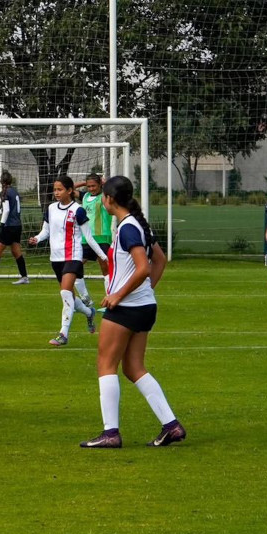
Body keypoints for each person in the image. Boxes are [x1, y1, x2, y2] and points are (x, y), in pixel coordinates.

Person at [81, 176, 185, 449]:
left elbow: (144, 268)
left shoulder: (128, 227)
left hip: (126, 308)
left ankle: (110, 433)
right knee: (133, 368)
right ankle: (171, 426)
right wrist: (144, 292)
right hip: (143, 306)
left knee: (105, 365)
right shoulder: (137, 224)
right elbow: (159, 260)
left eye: (102, 196)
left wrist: (119, 294)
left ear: (109, 200)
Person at [27, 175, 106, 346]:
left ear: (70, 191)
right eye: (55, 189)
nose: (56, 192)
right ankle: (89, 312)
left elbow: (89, 237)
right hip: (56, 259)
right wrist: (37, 238)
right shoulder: (51, 209)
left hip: (73, 257)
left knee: (64, 293)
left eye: (60, 189)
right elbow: (45, 231)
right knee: (68, 294)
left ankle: (63, 333)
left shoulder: (78, 210)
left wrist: (103, 255)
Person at [80, 171, 113, 302]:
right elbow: (69, 188)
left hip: (102, 237)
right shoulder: (85, 196)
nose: (91, 189)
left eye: (94, 186)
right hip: (86, 238)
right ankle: (85, 298)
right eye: (89, 186)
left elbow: (115, 190)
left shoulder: (105, 196)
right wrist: (84, 182)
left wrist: (106, 183)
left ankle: (110, 298)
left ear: (100, 185)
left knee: (105, 267)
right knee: (75, 265)